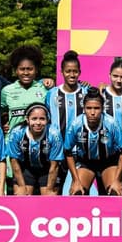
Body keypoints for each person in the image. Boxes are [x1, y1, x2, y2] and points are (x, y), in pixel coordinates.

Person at [63, 90, 122, 196]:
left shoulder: (111, 123)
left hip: (109, 162)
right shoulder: (76, 124)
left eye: (96, 108)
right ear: (83, 109)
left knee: (115, 193)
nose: (92, 112)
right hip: (86, 162)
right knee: (77, 193)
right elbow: (68, 152)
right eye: (89, 108)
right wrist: (76, 180)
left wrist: (117, 180)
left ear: (102, 109)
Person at [46, 50, 88, 193]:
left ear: (80, 72)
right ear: (62, 72)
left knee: (78, 190)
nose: (72, 75)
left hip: (80, 150)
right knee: (54, 190)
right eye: (68, 71)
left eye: (75, 71)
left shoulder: (86, 93)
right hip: (57, 150)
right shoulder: (51, 94)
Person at [6, 103, 64, 195]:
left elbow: (54, 166)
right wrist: (21, 186)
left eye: (42, 119)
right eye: (34, 119)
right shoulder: (17, 133)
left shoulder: (54, 134)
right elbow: (14, 161)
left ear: (47, 120)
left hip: (47, 169)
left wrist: (49, 189)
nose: (38, 123)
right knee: (22, 198)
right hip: (26, 168)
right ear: (27, 119)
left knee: (48, 200)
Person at [101, 59, 122, 133]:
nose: (118, 80)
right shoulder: (100, 94)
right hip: (107, 142)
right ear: (109, 75)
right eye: (115, 76)